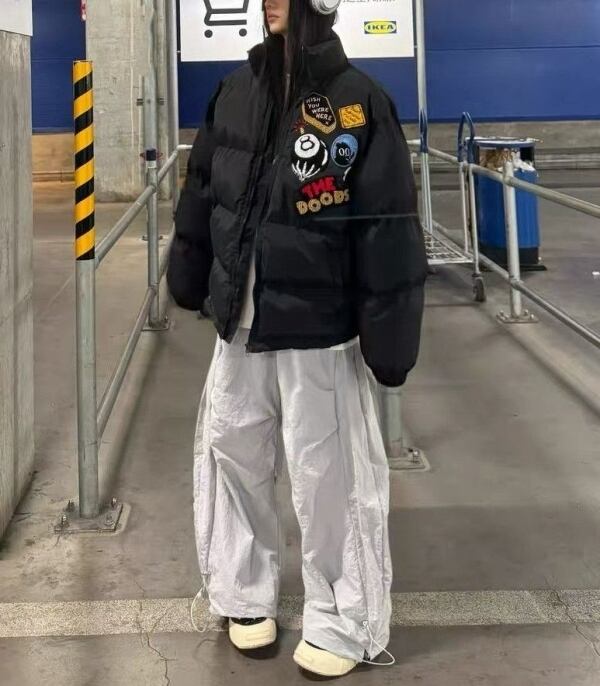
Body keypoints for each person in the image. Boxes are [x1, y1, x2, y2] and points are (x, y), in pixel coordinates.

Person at [167, 0, 427, 676]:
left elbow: (388, 227)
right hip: (240, 320)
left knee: (331, 478)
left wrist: (390, 339)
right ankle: (241, 591)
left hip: (320, 329)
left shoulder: (361, 102)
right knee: (232, 453)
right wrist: (189, 271)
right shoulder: (235, 90)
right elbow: (202, 190)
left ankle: (343, 619)